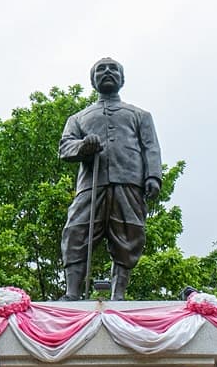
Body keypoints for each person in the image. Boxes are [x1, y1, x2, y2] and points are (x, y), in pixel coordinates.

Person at [59, 57, 162, 300]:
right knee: (76, 231)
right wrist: (84, 146)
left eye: (113, 69)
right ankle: (72, 293)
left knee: (129, 234)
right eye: (101, 70)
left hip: (129, 182)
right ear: (92, 80)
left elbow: (151, 147)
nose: (107, 72)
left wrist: (153, 176)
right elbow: (65, 147)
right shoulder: (78, 118)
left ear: (122, 78)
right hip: (90, 185)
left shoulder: (140, 115)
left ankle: (119, 295)